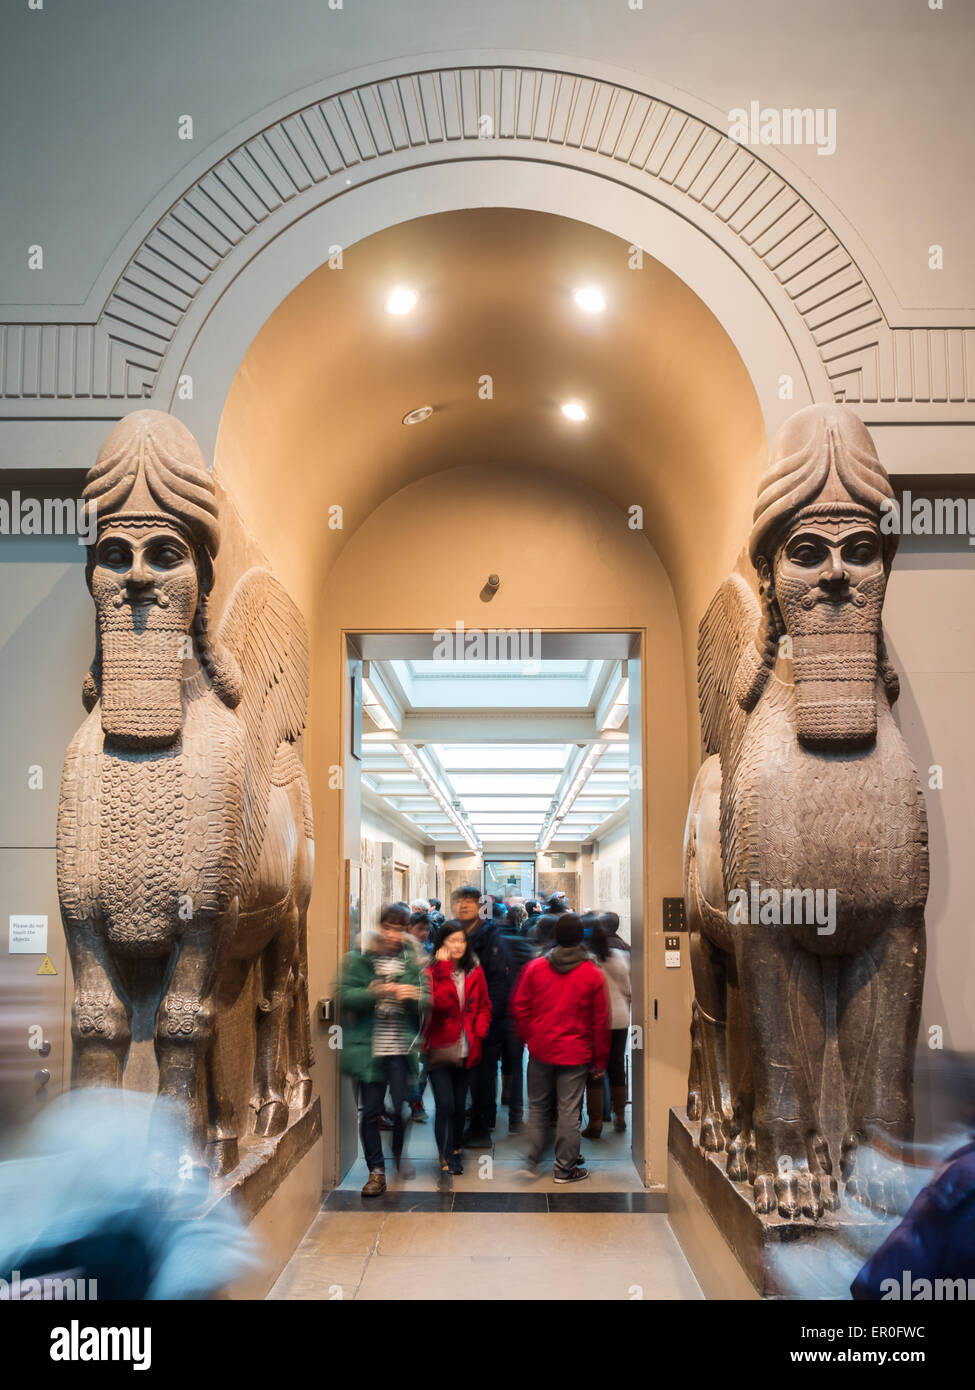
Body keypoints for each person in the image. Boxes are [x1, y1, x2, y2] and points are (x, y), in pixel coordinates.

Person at [335, 902, 427, 1197]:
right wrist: (373, 992)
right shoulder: (359, 959)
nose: (392, 934)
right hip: (369, 1051)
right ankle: (377, 1171)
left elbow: (427, 1000)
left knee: (401, 1109)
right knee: (371, 1112)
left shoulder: (410, 961)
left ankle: (399, 1155)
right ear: (380, 927)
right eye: (387, 927)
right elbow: (344, 996)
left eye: (398, 929)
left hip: (400, 1049)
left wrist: (413, 994)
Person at [512, 913, 610, 1183]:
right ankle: (564, 1169)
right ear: (581, 938)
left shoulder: (535, 968)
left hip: (541, 1048)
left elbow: (520, 1007)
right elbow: (600, 1021)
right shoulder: (592, 974)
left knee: (539, 1107)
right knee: (569, 1111)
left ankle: (532, 1160)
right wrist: (600, 1061)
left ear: (555, 936)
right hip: (576, 1053)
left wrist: (530, 1036)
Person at [422, 921, 492, 1176]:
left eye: (461, 940)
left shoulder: (474, 970)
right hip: (439, 1049)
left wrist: (479, 1030)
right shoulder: (431, 972)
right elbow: (437, 1006)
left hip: (467, 1049)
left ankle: (454, 1150)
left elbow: (485, 1004)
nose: (458, 945)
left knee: (460, 1105)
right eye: (452, 941)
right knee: (445, 1104)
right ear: (441, 944)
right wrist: (441, 969)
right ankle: (444, 1151)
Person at [451, 886, 512, 1146]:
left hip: (483, 1020)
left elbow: (499, 981)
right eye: (460, 901)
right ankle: (468, 1120)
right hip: (454, 1020)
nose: (464, 905)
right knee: (461, 1075)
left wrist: (486, 1018)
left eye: (469, 901)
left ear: (479, 906)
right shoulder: (451, 932)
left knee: (482, 1076)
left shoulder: (490, 936)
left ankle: (480, 1126)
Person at [581, 918, 631, 1137]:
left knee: (594, 1069)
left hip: (595, 1020)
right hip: (620, 1017)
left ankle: (596, 1123)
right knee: (616, 1065)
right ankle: (620, 1116)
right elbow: (629, 989)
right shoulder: (621, 955)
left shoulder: (587, 960)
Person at [497, 900, 537, 1133]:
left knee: (490, 1063)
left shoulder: (491, 942)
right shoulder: (523, 944)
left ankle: (488, 1118)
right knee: (516, 1064)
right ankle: (515, 1118)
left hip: (493, 1011)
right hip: (515, 1013)